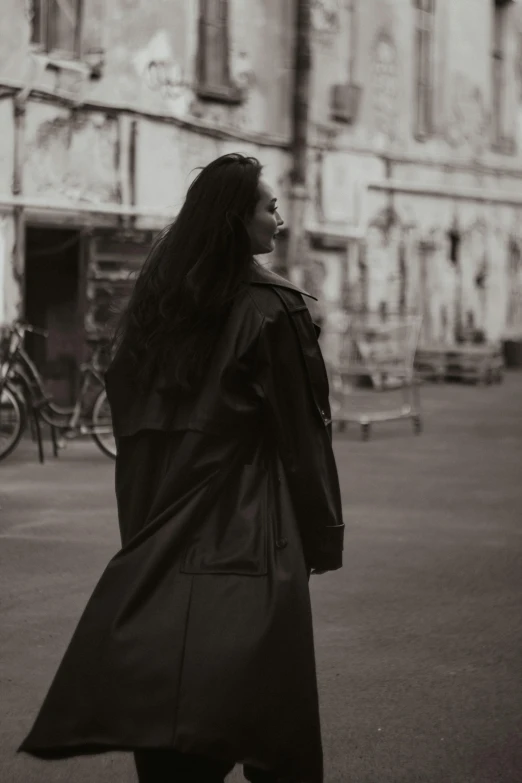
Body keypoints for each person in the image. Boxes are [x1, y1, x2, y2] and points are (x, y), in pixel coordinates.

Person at [18, 153, 345, 783]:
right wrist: (320, 537)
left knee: (168, 717)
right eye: (269, 207)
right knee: (265, 718)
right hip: (257, 524)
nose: (279, 220)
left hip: (163, 522)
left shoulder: (155, 307)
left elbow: (136, 437)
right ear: (235, 219)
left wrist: (141, 530)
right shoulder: (276, 311)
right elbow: (305, 441)